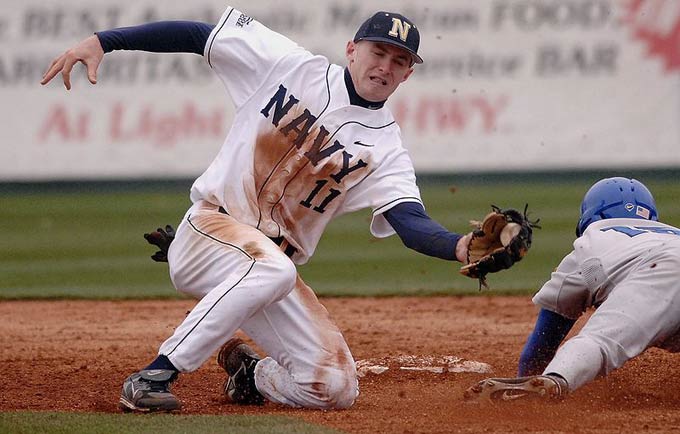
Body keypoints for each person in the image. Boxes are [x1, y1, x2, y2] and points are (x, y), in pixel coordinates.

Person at [41, 8, 484, 413]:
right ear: (352, 50)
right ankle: (154, 374)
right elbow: (201, 35)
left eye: (399, 61)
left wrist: (462, 247)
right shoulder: (289, 65)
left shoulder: (386, 149)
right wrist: (104, 41)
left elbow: (410, 222)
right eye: (378, 52)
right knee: (275, 271)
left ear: (407, 75)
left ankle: (250, 375)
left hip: (263, 269)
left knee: (333, 387)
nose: (385, 66)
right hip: (214, 224)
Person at [464, 177, 680, 402]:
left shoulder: (591, 242)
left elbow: (544, 340)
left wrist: (527, 377)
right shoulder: (669, 233)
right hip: (667, 262)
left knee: (599, 341)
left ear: (592, 215)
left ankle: (555, 381)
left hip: (664, 268)